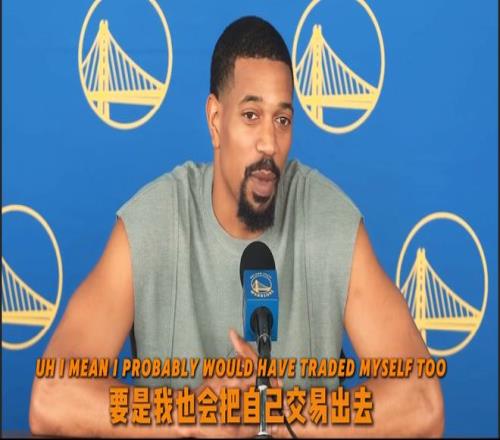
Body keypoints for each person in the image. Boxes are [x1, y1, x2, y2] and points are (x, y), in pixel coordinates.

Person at [29, 16, 444, 438]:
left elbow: (421, 402)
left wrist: (283, 413)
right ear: (215, 120)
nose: (269, 143)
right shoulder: (153, 222)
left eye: (282, 120)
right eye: (251, 115)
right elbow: (53, 396)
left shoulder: (328, 218)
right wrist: (193, 413)